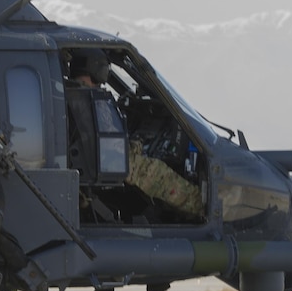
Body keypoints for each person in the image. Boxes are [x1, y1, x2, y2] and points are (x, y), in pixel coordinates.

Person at [67, 50, 204, 217]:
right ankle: (202, 206)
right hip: (98, 163)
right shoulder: (86, 98)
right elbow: (111, 150)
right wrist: (135, 146)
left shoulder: (67, 91)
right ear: (95, 70)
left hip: (85, 164)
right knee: (154, 170)